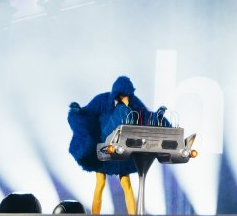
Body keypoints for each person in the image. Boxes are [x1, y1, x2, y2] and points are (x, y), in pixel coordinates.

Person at [67, 76, 166, 214]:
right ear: (116, 93)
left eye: (127, 95)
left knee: (126, 184)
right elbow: (88, 112)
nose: (124, 97)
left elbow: (146, 115)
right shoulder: (102, 100)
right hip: (104, 148)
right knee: (100, 183)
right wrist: (77, 111)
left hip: (122, 149)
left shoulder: (133, 103)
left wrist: (158, 116)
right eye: (122, 95)